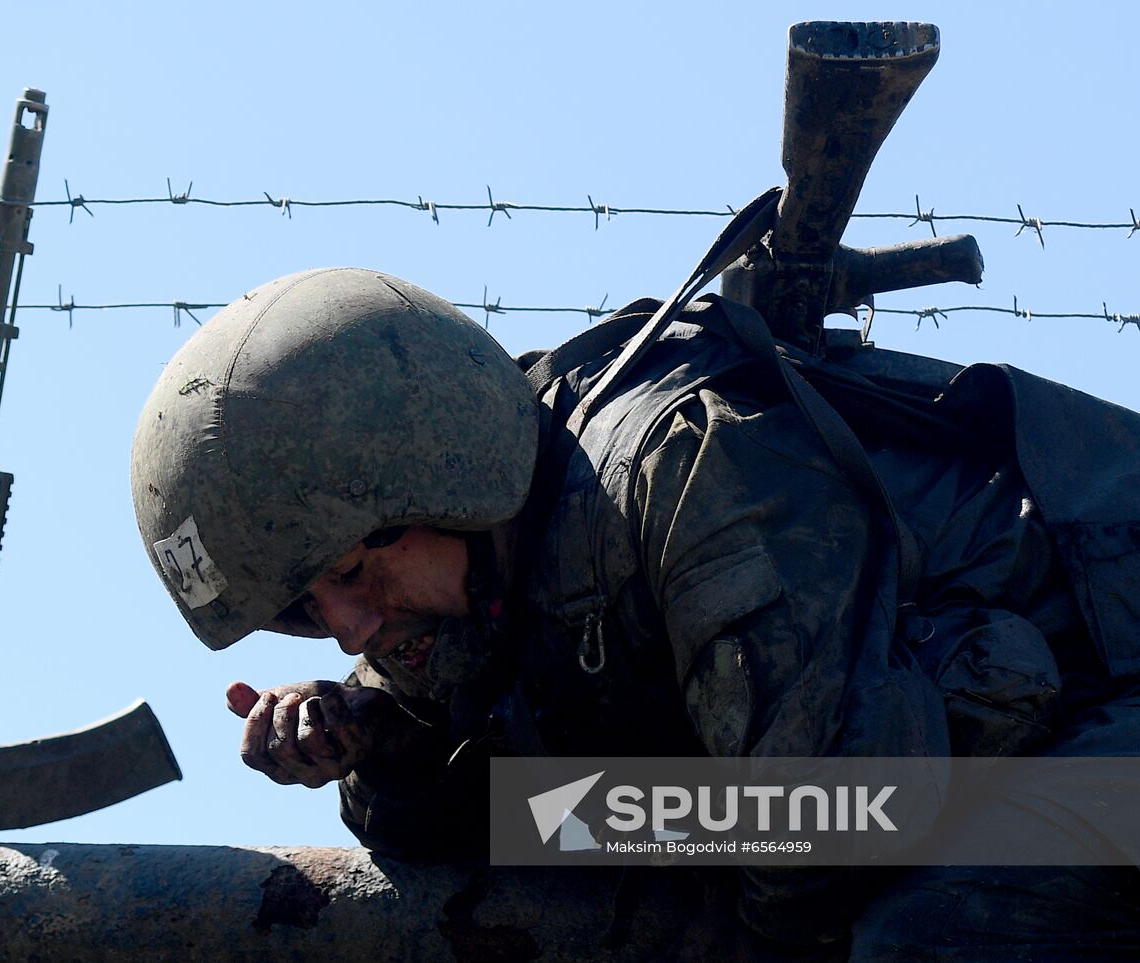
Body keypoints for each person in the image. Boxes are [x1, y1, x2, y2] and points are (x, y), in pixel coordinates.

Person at [131, 266, 1140, 960]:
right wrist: (376, 744)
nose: (353, 630)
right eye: (312, 610)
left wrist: (576, 820)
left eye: (357, 572)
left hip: (1116, 694)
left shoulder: (688, 468)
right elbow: (506, 823)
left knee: (947, 934)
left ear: (448, 485)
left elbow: (830, 831)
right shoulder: (463, 586)